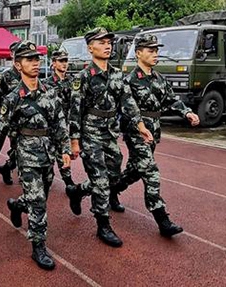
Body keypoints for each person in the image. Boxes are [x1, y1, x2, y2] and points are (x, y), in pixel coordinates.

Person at [0, 40, 71, 270]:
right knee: (39, 201)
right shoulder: (13, 98)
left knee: (41, 193)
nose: (34, 63)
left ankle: (17, 205)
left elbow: (60, 124)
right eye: (29, 60)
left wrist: (65, 150)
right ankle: (38, 246)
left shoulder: (50, 92)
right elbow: (1, 129)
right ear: (18, 64)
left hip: (47, 153)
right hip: (26, 155)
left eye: (36, 59)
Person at [111, 34, 200, 237]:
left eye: (156, 50)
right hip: (136, 132)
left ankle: (111, 190)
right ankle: (162, 219)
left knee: (135, 170)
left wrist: (187, 112)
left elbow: (171, 100)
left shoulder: (159, 78)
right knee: (151, 171)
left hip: (154, 131)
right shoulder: (130, 80)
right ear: (139, 53)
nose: (155, 54)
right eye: (150, 50)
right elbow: (125, 108)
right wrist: (137, 127)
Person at [66, 27, 143, 248]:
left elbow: (128, 102)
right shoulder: (83, 77)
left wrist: (140, 125)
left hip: (110, 133)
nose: (107, 45)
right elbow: (75, 111)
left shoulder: (117, 74)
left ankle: (78, 190)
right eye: (101, 42)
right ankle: (103, 225)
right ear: (90, 48)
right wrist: (74, 140)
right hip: (90, 133)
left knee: (113, 175)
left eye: (109, 42)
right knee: (100, 180)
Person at [43, 50, 75, 189]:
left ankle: (68, 181)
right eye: (61, 61)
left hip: (64, 124)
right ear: (53, 63)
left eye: (65, 61)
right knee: (49, 155)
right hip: (50, 126)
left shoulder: (72, 81)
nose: (64, 64)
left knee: (64, 150)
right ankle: (46, 179)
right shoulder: (46, 83)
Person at [0, 41, 21, 185]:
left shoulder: (31, 74)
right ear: (12, 55)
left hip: (31, 120)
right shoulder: (4, 77)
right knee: (20, 149)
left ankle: (7, 167)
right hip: (12, 121)